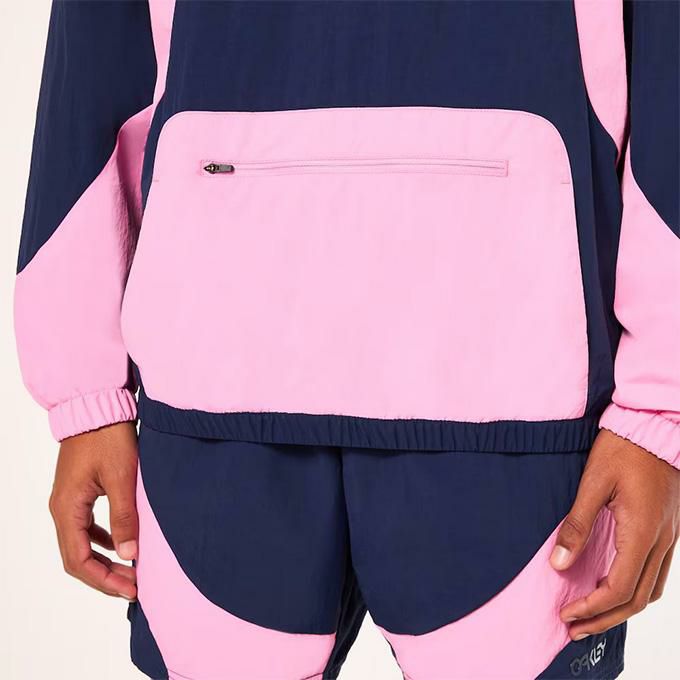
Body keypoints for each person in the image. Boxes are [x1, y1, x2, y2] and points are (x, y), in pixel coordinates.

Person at [14, 1, 679, 678]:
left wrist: (659, 409)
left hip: (502, 372)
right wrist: (84, 390)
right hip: (235, 370)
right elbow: (103, 36)